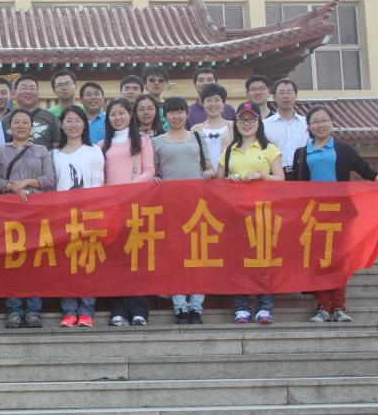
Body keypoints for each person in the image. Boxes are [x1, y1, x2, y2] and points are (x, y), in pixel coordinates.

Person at [292, 106, 378, 323]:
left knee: (339, 260)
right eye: (315, 122)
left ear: (332, 123)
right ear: (308, 126)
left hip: (340, 213)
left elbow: (368, 172)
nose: (320, 125)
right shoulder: (301, 153)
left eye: (324, 120)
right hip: (313, 214)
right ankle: (323, 307)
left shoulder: (344, 150)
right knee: (317, 260)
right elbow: (294, 186)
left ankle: (339, 307)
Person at [218, 100, 285, 325]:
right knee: (237, 261)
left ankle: (265, 307)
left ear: (259, 122)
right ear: (236, 123)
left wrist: (262, 176)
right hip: (235, 214)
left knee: (264, 260)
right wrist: (229, 179)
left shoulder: (269, 149)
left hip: (263, 213)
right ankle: (241, 307)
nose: (246, 124)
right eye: (242, 120)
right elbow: (218, 181)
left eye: (251, 119)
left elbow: (281, 179)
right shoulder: (229, 150)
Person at [0, 108, 56, 329]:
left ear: (31, 127)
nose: (20, 126)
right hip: (9, 213)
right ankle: (14, 310)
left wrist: (25, 183)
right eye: (16, 122)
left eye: (25, 122)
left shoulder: (42, 150)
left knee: (35, 262)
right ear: (10, 127)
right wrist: (13, 187)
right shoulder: (1, 151)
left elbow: (49, 179)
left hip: (37, 214)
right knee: (12, 262)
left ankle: (34, 310)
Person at [154, 96, 215, 324]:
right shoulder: (156, 141)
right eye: (171, 112)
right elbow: (155, 172)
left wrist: (208, 172)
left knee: (198, 253)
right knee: (175, 255)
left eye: (180, 111)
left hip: (197, 205)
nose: (176, 116)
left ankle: (196, 305)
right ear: (166, 116)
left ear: (187, 114)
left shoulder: (197, 137)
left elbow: (208, 167)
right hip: (170, 205)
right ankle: (180, 305)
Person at [101, 97, 155, 327]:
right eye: (113, 114)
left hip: (136, 205)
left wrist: (128, 190)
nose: (118, 118)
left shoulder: (142, 140)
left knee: (138, 258)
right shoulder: (102, 145)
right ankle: (118, 310)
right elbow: (101, 177)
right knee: (116, 260)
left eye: (121, 113)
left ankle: (139, 310)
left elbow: (149, 170)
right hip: (112, 208)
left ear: (130, 115)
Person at [52, 105, 105, 328]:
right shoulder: (53, 154)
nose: (73, 125)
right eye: (69, 120)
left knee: (87, 263)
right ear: (62, 125)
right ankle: (68, 311)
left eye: (77, 120)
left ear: (84, 124)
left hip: (89, 214)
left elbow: (98, 183)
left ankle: (86, 311)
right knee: (66, 265)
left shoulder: (94, 150)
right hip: (62, 217)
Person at [264, 78, 308, 181]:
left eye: (289, 92)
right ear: (274, 97)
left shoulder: (306, 123)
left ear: (295, 95)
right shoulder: (264, 125)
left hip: (302, 175)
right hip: (274, 175)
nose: (285, 96)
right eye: (281, 93)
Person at [0, 76, 61, 150]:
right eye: (23, 88)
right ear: (14, 94)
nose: (28, 91)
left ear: (38, 93)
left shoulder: (50, 117)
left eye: (32, 88)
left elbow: (56, 145)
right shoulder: (5, 120)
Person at [191, 84, 233, 173]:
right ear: (203, 104)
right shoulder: (195, 129)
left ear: (224, 103)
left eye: (217, 100)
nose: (213, 104)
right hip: (203, 177)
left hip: (228, 177)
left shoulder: (232, 126)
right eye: (208, 100)